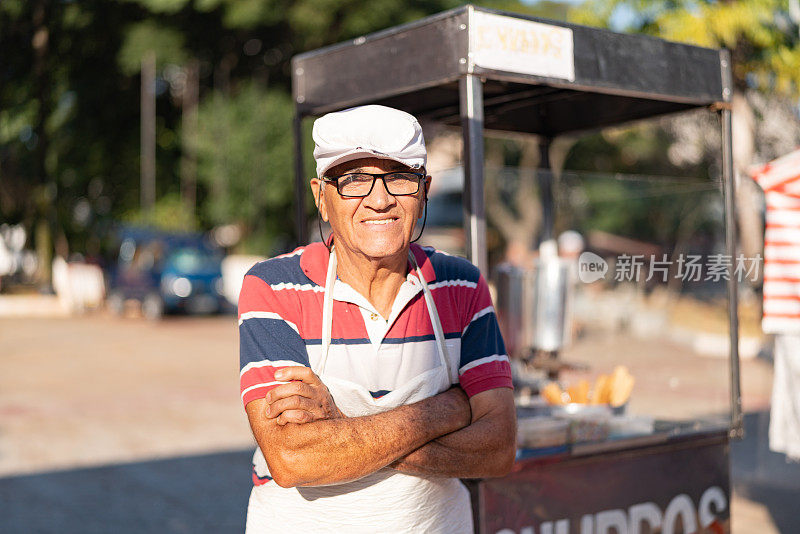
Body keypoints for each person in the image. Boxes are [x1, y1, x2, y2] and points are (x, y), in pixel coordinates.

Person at [238, 104, 516, 532]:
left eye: (399, 177)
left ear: (423, 191)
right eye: (353, 180)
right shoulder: (273, 288)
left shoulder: (461, 286)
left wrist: (341, 431)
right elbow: (293, 458)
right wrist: (447, 409)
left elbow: (497, 450)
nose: (380, 199)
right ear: (321, 197)